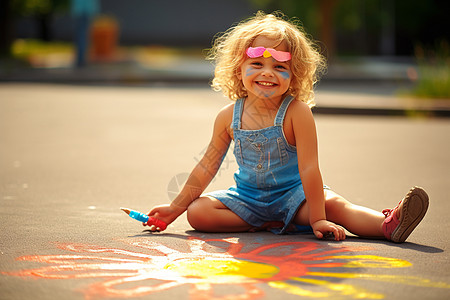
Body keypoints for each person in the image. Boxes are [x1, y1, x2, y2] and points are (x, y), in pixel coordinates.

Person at [145, 12, 429, 242]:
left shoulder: (296, 113)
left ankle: (388, 225)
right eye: (256, 64)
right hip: (247, 200)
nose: (267, 73)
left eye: (280, 67)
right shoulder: (227, 116)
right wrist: (175, 208)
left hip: (297, 199)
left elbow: (309, 168)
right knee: (198, 213)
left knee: (335, 206)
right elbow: (207, 165)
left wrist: (318, 217)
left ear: (294, 76)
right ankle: (270, 221)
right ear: (237, 69)